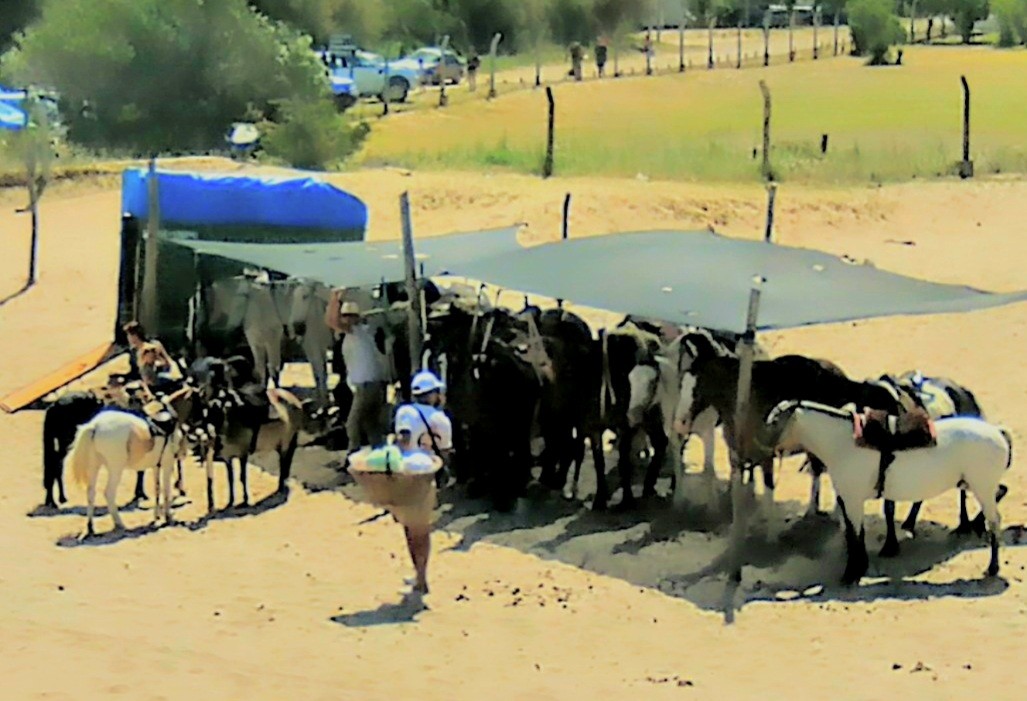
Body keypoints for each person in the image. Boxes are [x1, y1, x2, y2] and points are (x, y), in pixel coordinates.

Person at [390, 370, 452, 599]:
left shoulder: (404, 412)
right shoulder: (442, 420)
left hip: (404, 473)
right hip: (426, 476)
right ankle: (421, 575)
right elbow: (444, 453)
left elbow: (401, 442)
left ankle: (419, 574)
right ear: (433, 394)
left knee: (409, 527)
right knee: (422, 528)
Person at [324, 290, 389, 455]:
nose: (344, 319)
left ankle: (353, 456)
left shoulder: (356, 332)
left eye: (347, 316)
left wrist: (334, 300)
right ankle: (379, 455)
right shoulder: (364, 332)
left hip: (366, 386)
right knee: (371, 424)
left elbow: (331, 321)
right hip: (375, 384)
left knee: (353, 424)